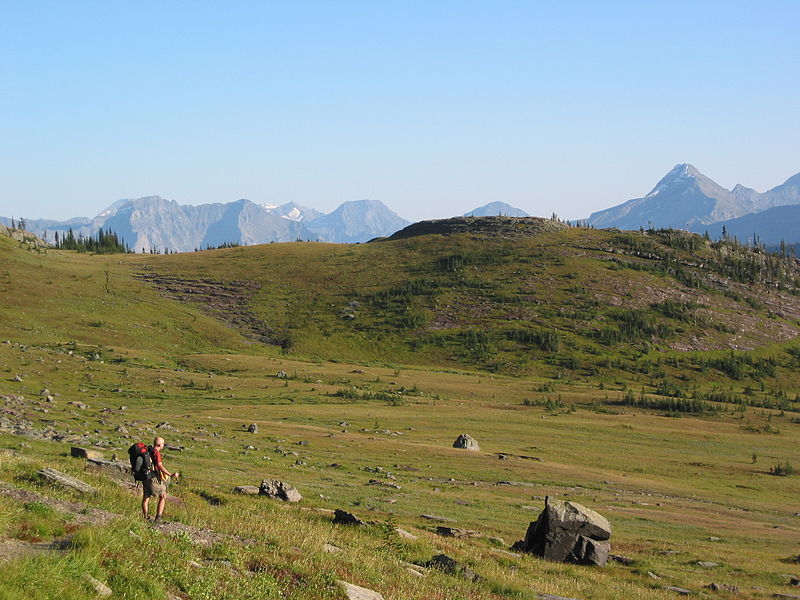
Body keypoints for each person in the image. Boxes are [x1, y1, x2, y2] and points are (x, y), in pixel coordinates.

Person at [141, 436, 180, 522]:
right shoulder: (156, 453)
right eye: (163, 443)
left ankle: (145, 516)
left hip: (145, 476)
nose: (163, 445)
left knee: (146, 497)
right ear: (159, 444)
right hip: (153, 477)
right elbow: (159, 465)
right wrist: (170, 474)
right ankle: (158, 518)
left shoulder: (149, 450)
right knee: (163, 495)